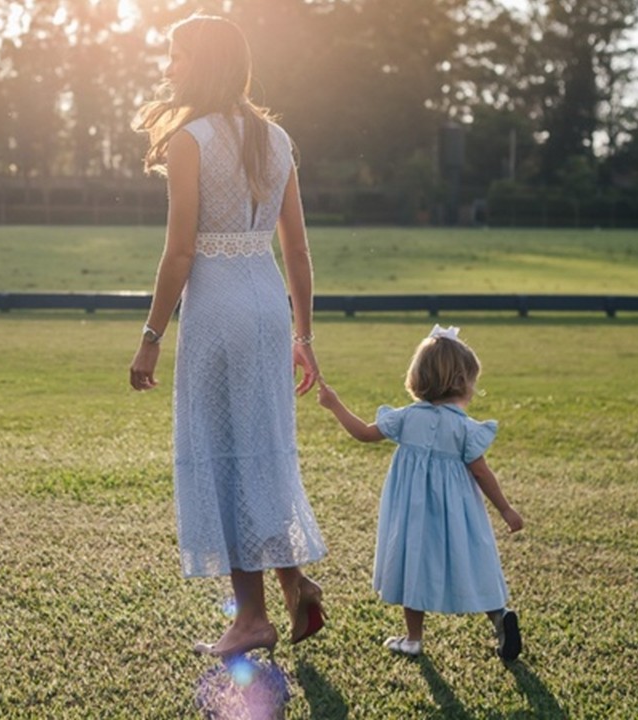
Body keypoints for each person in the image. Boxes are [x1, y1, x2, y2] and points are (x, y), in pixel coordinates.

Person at [127, 14, 327, 659]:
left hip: (216, 311)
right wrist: (304, 333)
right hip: (267, 307)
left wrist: (151, 334)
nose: (168, 67)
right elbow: (297, 248)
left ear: (206, 63)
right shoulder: (277, 138)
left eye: (179, 56)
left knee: (224, 455)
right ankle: (295, 585)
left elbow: (179, 253)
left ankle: (250, 618)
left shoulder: (191, 141)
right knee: (261, 447)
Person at [316, 325, 525, 660]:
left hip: (412, 512)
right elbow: (482, 472)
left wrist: (334, 404)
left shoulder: (407, 418)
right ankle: (498, 616)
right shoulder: (463, 428)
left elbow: (364, 434)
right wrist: (506, 509)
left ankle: (414, 638)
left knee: (413, 561)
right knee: (471, 560)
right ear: (460, 382)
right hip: (458, 515)